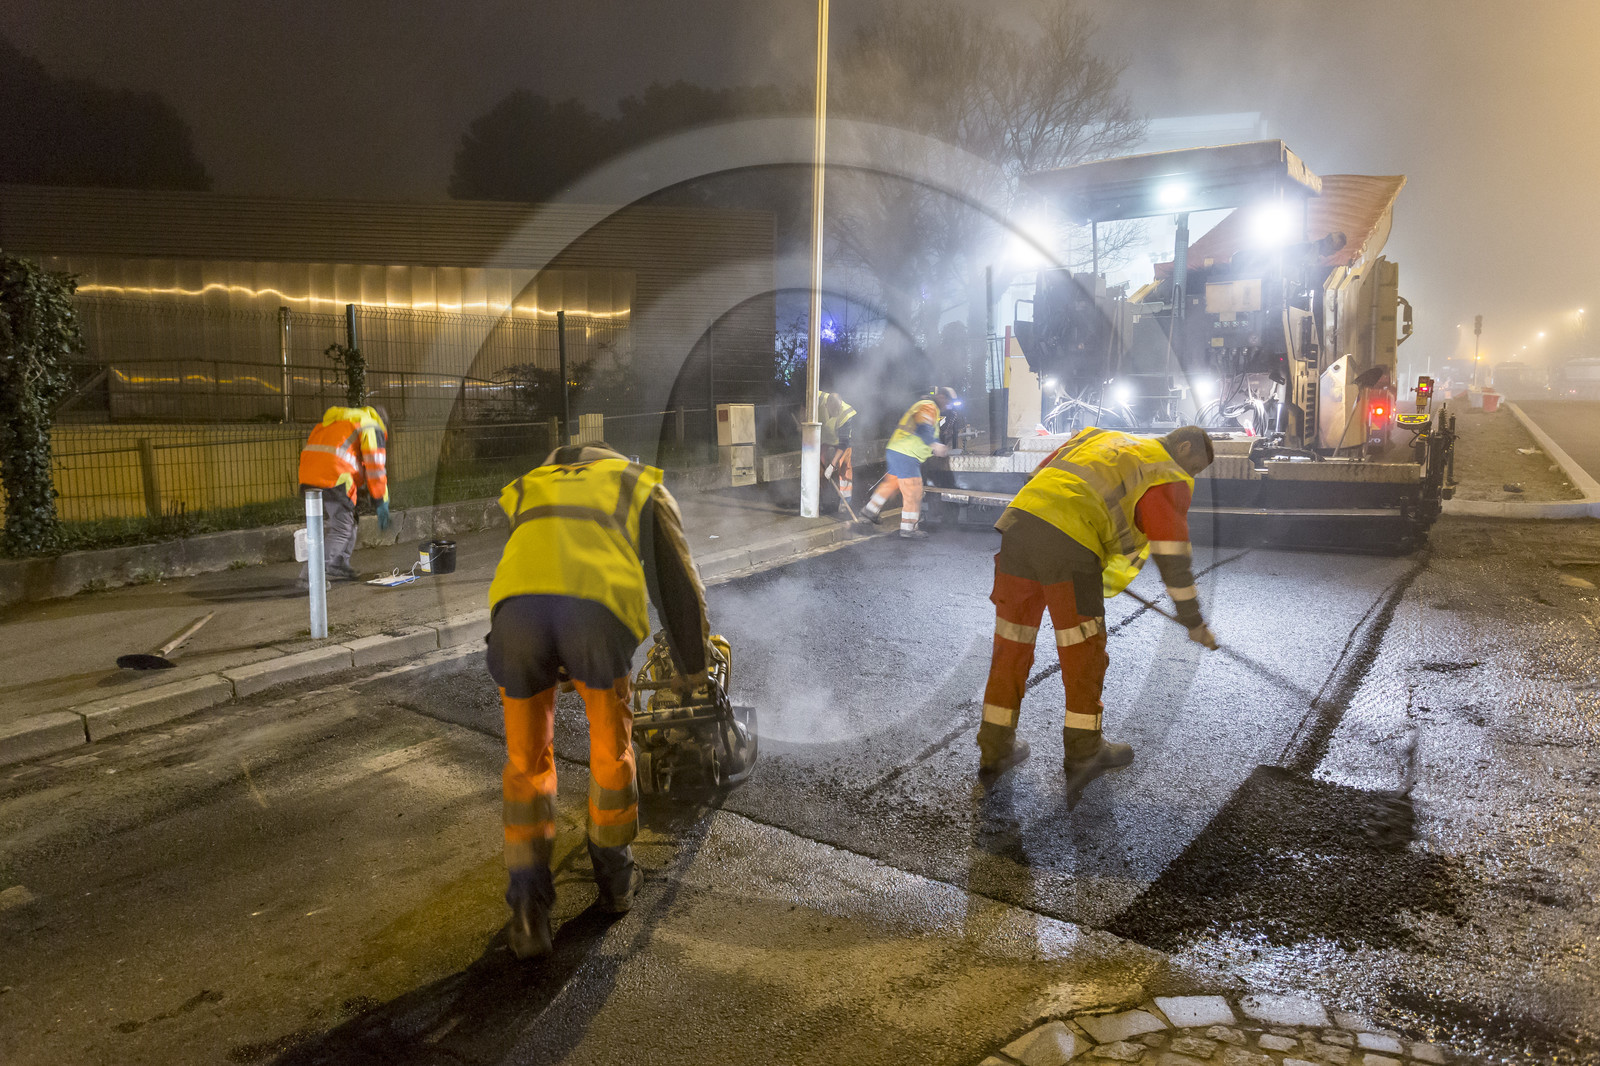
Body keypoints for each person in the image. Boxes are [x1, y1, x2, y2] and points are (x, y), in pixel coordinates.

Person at [486, 441, 711, 959]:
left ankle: (527, 907)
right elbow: (675, 581)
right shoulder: (635, 484)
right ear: (611, 457)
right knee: (611, 750)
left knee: (525, 764)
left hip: (514, 625)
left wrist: (550, 650)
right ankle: (614, 879)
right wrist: (693, 666)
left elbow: (535, 568)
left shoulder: (534, 482)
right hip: (594, 620)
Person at [973, 425, 1218, 795]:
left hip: (1019, 527)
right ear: (1183, 447)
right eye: (1195, 467)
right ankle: (1085, 751)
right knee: (1082, 649)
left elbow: (1039, 473)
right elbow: (1172, 554)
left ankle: (994, 749)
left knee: (1012, 641)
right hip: (1071, 545)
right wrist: (1193, 620)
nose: (1192, 476)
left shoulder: (1098, 438)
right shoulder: (1165, 473)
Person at [296, 404, 391, 586]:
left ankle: (338, 563)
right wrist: (381, 500)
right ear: (383, 422)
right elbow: (375, 467)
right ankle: (310, 576)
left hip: (309, 475)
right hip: (334, 476)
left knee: (350, 519)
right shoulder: (371, 426)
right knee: (342, 527)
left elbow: (346, 455)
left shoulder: (337, 421)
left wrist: (360, 486)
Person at [859, 386, 958, 539]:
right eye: (949, 402)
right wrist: (935, 444)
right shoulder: (929, 406)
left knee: (891, 483)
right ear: (942, 398)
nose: (948, 406)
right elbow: (924, 427)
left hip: (896, 449)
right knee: (914, 490)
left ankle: (870, 510)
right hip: (907, 454)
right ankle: (909, 528)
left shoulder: (926, 405)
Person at [819, 390, 858, 513]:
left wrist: (832, 465)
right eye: (834, 410)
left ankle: (845, 503)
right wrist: (802, 416)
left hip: (840, 441)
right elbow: (805, 401)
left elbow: (844, 443)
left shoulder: (846, 414)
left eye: (838, 409)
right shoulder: (818, 397)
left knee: (845, 467)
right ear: (826, 405)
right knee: (818, 468)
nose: (837, 413)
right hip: (822, 438)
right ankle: (820, 501)